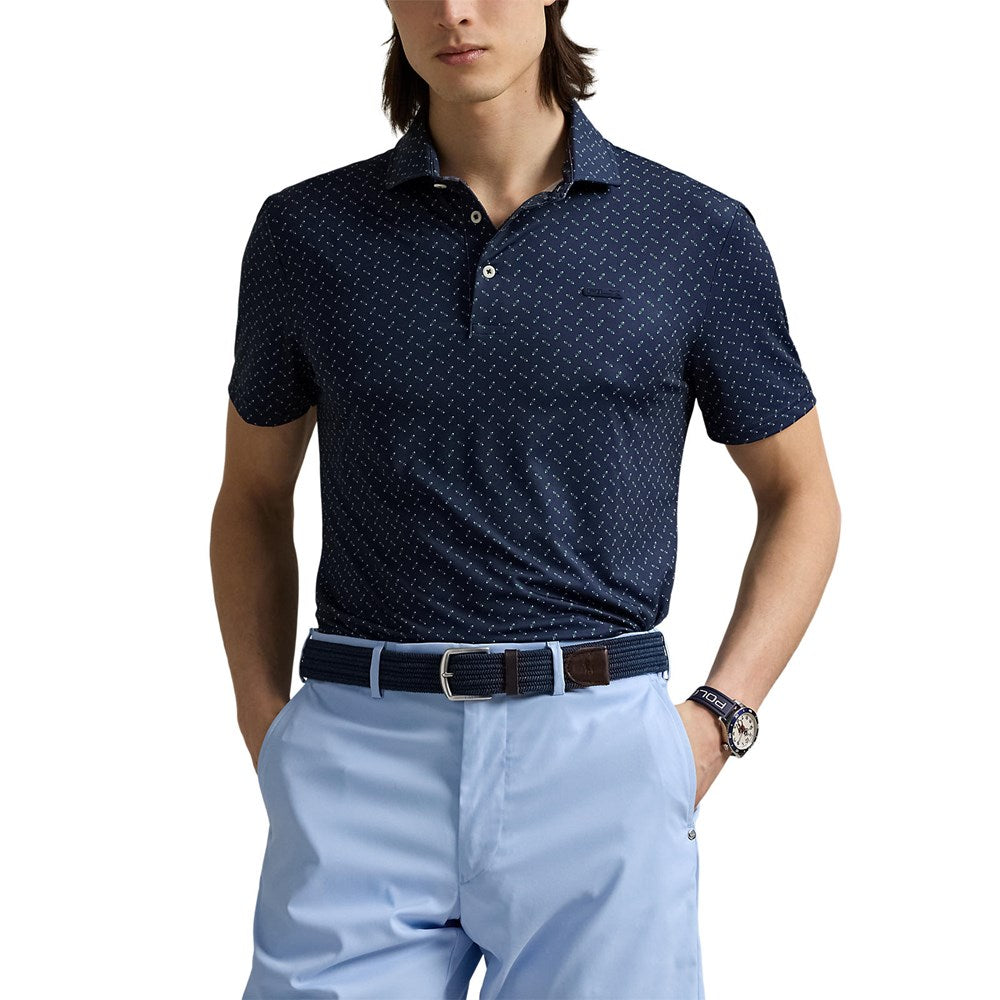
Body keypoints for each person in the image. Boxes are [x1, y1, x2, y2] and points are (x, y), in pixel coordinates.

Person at [210, 2, 840, 997]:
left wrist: (722, 716)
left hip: (598, 757)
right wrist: (264, 719)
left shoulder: (693, 233)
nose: (454, 12)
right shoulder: (307, 234)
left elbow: (800, 491)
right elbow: (252, 494)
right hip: (358, 754)